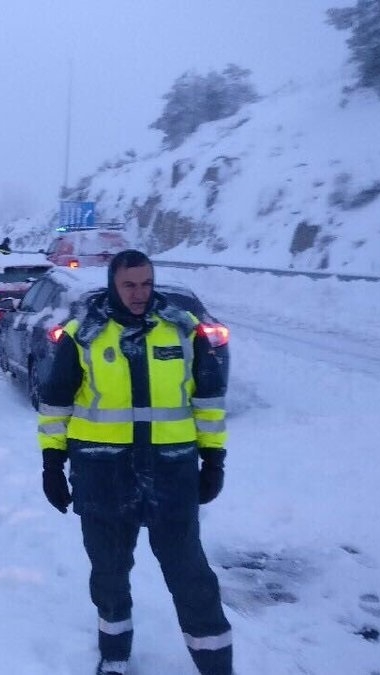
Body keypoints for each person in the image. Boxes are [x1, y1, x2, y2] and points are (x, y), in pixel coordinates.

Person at [38, 249, 231, 675]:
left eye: (146, 283)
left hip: (172, 472)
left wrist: (214, 459)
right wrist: (52, 465)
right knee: (109, 575)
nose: (139, 293)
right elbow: (55, 405)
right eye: (129, 285)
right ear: (113, 284)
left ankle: (216, 665)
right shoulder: (83, 335)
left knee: (191, 576)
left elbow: (209, 402)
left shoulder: (184, 331)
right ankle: (115, 657)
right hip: (102, 474)